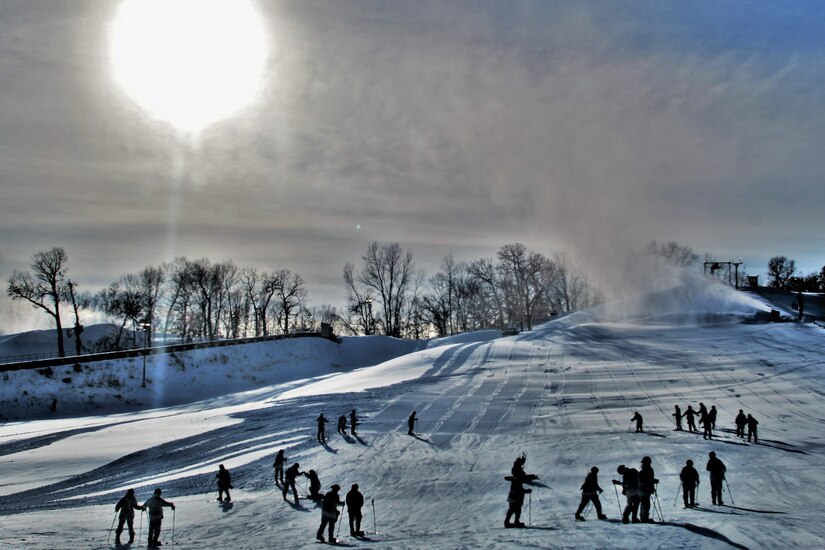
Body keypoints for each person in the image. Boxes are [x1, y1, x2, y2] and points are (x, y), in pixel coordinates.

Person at [638, 456, 658, 523]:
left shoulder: (642, 471)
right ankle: (644, 518)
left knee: (644, 503)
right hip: (646, 489)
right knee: (646, 504)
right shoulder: (649, 470)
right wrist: (654, 481)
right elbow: (649, 479)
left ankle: (643, 517)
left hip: (642, 489)